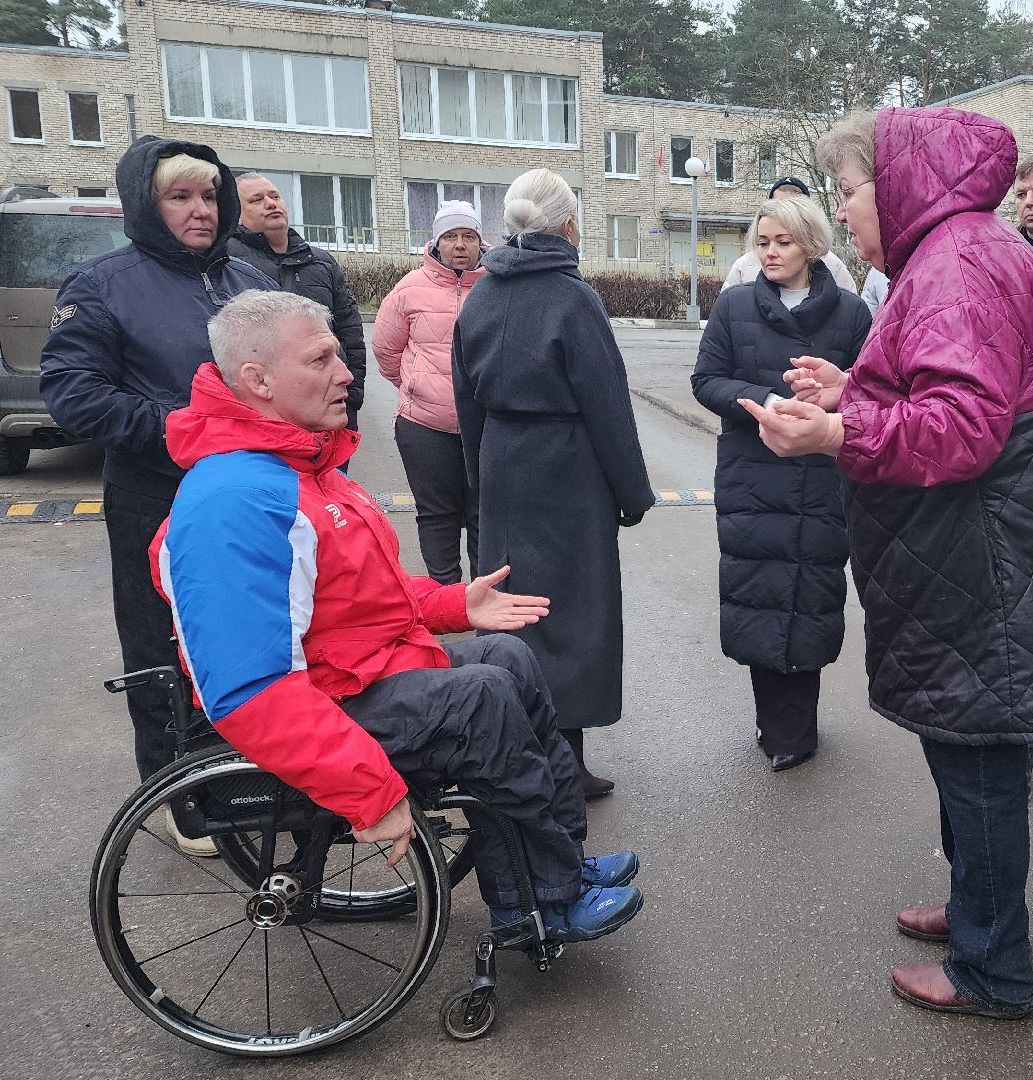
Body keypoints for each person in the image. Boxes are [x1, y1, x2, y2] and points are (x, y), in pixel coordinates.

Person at [743, 108, 1033, 1020]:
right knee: (969, 751)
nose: (841, 214)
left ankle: (993, 971)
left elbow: (961, 431)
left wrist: (839, 429)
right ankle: (976, 916)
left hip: (989, 564)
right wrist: (860, 389)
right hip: (981, 556)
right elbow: (955, 393)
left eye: (847, 192)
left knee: (981, 762)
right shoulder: (956, 251)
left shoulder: (955, 264)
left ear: (900, 185)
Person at [152, 289, 644, 940]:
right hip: (320, 702)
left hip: (351, 671)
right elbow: (250, 691)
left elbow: (359, 599)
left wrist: (452, 604)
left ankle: (563, 867)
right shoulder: (238, 500)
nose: (346, 371)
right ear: (258, 380)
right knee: (483, 698)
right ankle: (539, 906)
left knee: (509, 659)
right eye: (322, 358)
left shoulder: (301, 466)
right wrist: (371, 794)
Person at [40, 136, 276, 856]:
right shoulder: (102, 284)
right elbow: (72, 394)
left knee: (253, 636)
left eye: (208, 195)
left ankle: (250, 768)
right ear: (146, 203)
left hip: (251, 497)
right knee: (161, 646)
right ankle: (175, 791)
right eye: (180, 196)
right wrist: (180, 427)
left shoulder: (246, 279)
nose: (200, 210)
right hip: (159, 498)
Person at [453, 169, 655, 802]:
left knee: (517, 613)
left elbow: (467, 404)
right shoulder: (573, 298)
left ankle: (531, 758)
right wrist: (632, 493)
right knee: (573, 616)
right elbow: (608, 404)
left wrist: (479, 482)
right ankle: (566, 761)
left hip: (505, 462)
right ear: (568, 225)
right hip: (570, 471)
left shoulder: (479, 296)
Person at [691, 196, 872, 772]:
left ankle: (799, 726)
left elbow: (871, 390)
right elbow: (707, 380)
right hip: (752, 473)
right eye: (763, 241)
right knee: (759, 593)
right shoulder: (734, 307)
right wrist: (763, 400)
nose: (770, 252)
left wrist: (836, 397)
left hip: (823, 476)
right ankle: (776, 724)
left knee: (813, 593)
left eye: (783, 241)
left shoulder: (849, 313)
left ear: (812, 246)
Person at [372, 201, 487, 586]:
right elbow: (386, 351)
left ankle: (483, 594)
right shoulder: (409, 288)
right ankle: (446, 597)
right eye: (450, 237)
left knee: (483, 514)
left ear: (479, 242)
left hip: (484, 428)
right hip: (424, 426)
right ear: (435, 244)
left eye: (467, 236)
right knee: (437, 515)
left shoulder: (495, 286)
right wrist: (416, 386)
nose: (459, 245)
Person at [226, 172, 368, 432]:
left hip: (329, 409)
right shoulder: (227, 263)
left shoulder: (321, 262)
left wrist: (352, 395)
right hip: (264, 415)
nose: (271, 203)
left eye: (275, 196)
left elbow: (350, 331)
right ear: (236, 214)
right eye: (257, 200)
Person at [722, 176, 858, 291]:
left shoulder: (833, 265)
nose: (771, 253)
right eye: (777, 205)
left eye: (784, 243)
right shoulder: (743, 266)